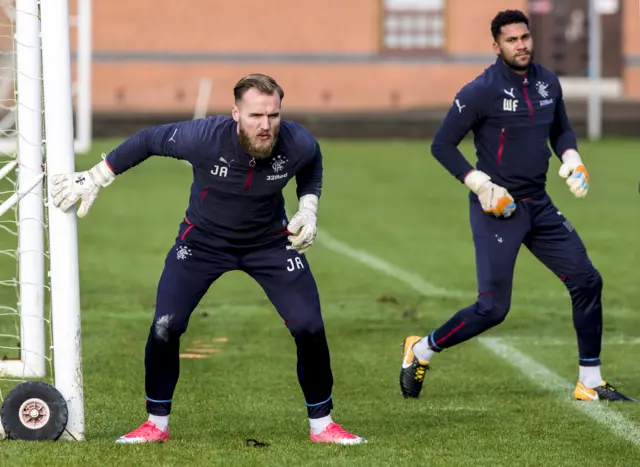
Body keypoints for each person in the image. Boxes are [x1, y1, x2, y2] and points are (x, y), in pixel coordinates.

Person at [51, 73, 367, 444]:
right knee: (166, 326)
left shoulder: (297, 141)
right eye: (255, 116)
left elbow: (312, 163)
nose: (265, 125)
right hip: (202, 243)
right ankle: (156, 423)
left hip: (270, 243)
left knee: (309, 327)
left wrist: (309, 209)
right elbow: (148, 140)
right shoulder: (202, 138)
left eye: (273, 115)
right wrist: (96, 177)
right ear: (235, 113)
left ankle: (323, 425)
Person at [399, 10, 635, 403]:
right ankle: (420, 349)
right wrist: (479, 184)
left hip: (538, 205)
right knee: (492, 309)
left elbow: (560, 129)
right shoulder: (480, 90)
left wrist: (572, 159)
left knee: (587, 281)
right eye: (511, 40)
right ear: (497, 46)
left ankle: (590, 382)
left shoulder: (548, 82)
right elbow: (441, 145)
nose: (521, 45)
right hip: (497, 209)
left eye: (525, 37)